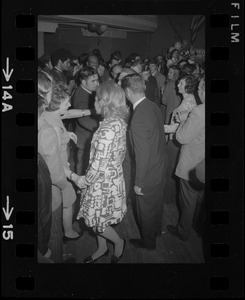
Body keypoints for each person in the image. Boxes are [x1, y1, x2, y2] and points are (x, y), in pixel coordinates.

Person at [77, 82, 128, 263]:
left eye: (96, 98)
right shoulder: (117, 121)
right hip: (112, 177)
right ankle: (102, 248)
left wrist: (83, 182)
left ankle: (119, 242)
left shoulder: (107, 129)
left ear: (105, 103)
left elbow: (98, 164)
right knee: (99, 220)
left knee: (98, 224)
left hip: (102, 182)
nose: (94, 101)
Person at [121, 74, 168, 250]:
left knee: (145, 210)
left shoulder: (138, 118)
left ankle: (148, 243)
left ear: (127, 91)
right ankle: (156, 231)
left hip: (147, 173)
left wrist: (138, 183)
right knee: (156, 204)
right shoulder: (153, 105)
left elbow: (142, 155)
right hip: (160, 164)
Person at [40, 78, 84, 248]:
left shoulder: (49, 114)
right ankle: (67, 232)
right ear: (57, 103)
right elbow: (55, 160)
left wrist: (68, 134)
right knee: (68, 199)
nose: (69, 105)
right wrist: (73, 177)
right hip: (60, 172)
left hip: (57, 170)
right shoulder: (54, 128)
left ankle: (66, 230)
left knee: (68, 200)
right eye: (67, 102)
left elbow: (61, 131)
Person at [167, 76, 205, 241]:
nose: (198, 90)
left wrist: (183, 122)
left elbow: (182, 137)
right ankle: (198, 227)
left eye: (201, 87)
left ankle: (182, 231)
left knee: (188, 201)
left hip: (192, 163)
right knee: (199, 200)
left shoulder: (199, 110)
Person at [71, 67, 100, 175]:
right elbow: (84, 120)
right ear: (83, 81)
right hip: (84, 140)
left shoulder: (89, 91)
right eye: (93, 81)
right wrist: (101, 126)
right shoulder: (80, 95)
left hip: (88, 137)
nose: (97, 83)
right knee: (83, 170)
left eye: (97, 80)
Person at [161, 66, 182, 204]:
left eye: (170, 72)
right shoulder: (182, 86)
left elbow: (163, 101)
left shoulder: (169, 85)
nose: (168, 74)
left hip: (170, 118)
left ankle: (166, 194)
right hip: (179, 122)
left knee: (167, 154)